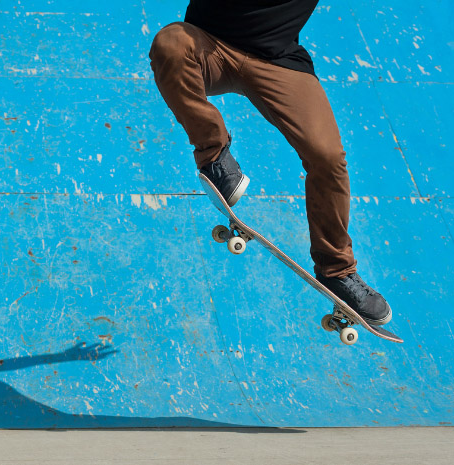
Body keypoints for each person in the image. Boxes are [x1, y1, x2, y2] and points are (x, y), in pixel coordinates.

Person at [149, 0, 392, 325]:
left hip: (279, 61)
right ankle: (214, 155)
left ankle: (337, 270)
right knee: (170, 44)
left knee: (328, 156)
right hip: (210, 46)